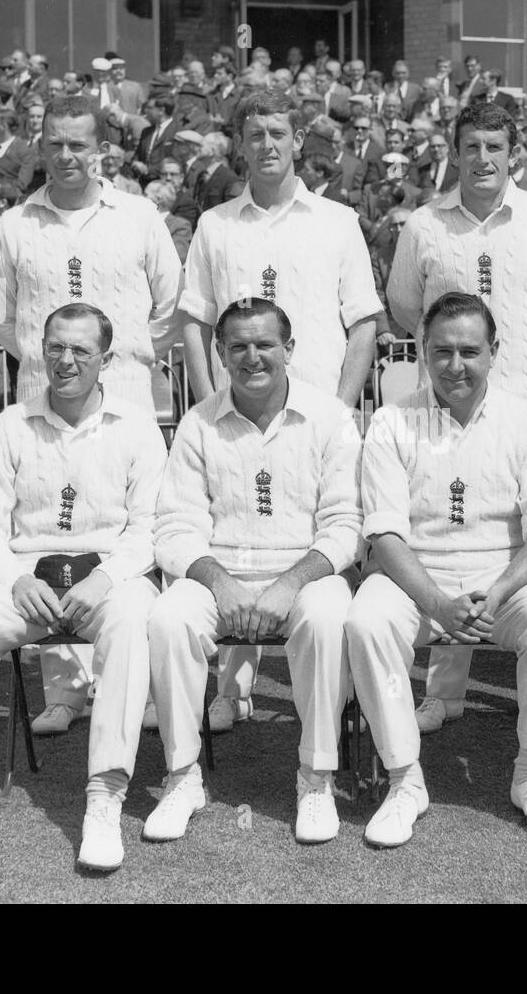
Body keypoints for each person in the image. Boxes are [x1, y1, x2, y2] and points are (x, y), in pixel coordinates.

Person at [0, 304, 165, 871]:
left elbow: (150, 527)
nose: (65, 361)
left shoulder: (136, 427)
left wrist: (107, 578)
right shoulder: (12, 424)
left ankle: (104, 799)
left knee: (136, 619)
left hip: (108, 580)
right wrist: (13, 578)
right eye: (56, 348)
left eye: (81, 351)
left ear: (105, 360)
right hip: (27, 582)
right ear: (41, 349)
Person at [176, 87, 380, 731]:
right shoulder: (215, 225)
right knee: (237, 534)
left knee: (317, 549)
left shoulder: (337, 221)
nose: (267, 145)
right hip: (238, 414)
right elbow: (194, 321)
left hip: (315, 424)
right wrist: (215, 403)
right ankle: (228, 688)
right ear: (240, 144)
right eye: (255, 133)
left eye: (279, 134)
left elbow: (365, 323)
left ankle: (321, 695)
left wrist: (341, 410)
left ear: (299, 143)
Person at [345, 292, 527, 846]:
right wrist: (437, 603)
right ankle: (405, 780)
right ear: (422, 352)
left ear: (494, 352)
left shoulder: (526, 422)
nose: (456, 366)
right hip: (415, 581)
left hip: (505, 580)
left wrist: (498, 593)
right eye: (442, 352)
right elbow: (383, 534)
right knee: (366, 621)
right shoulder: (391, 421)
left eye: (470, 351)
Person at [386, 100, 527, 733]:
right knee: (450, 528)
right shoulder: (424, 224)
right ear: (454, 151)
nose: (483, 159)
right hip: (445, 407)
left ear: (514, 154)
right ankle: (442, 692)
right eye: (470, 146)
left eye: (494, 147)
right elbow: (403, 306)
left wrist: (521, 331)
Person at [0, 92, 183, 734]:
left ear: (102, 150)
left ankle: (142, 683)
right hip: (45, 410)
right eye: (55, 143)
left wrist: (128, 355)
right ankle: (65, 692)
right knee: (53, 529)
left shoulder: (140, 215)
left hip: (127, 408)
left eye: (79, 144)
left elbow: (173, 303)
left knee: (137, 535)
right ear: (40, 145)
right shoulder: (16, 223)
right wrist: (48, 367)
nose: (66, 155)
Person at [146, 298, 362, 844]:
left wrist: (290, 584)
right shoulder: (198, 423)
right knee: (169, 617)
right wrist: (221, 583)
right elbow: (174, 527)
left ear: (289, 349)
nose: (252, 357)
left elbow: (345, 525)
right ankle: (182, 776)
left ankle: (315, 780)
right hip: (222, 575)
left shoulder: (331, 419)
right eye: (237, 346)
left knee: (327, 616)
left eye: (265, 344)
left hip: (305, 574)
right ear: (219, 352)